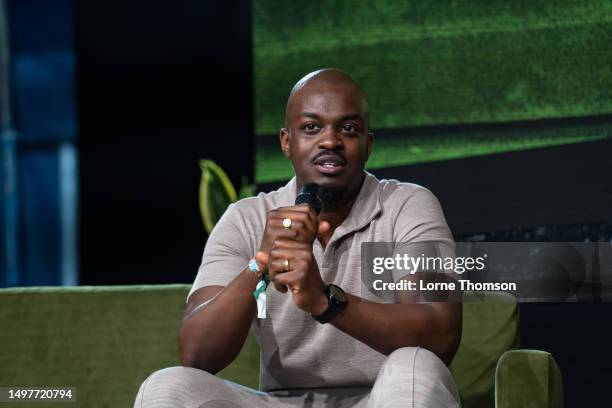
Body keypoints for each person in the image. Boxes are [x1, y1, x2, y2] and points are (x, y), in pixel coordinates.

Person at [134, 69, 462, 407]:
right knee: (167, 386)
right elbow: (198, 354)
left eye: (348, 129)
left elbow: (440, 333)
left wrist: (324, 301)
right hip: (282, 403)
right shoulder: (246, 218)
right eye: (311, 128)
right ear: (286, 142)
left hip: (383, 397)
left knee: (415, 367)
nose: (330, 141)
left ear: (369, 145)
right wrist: (260, 264)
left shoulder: (406, 205)